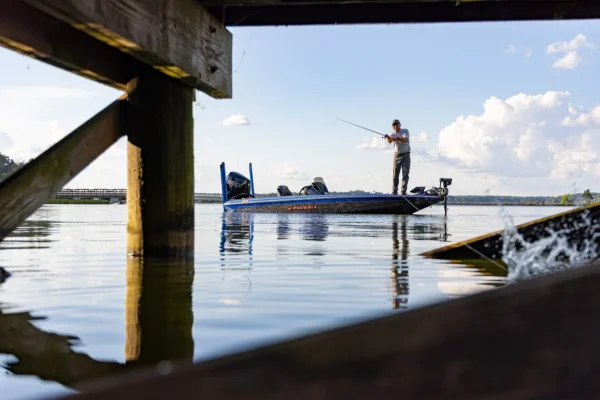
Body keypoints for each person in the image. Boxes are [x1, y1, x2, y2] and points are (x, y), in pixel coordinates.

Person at [385, 119, 410, 195]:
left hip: (406, 155)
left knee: (405, 174)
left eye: (397, 124)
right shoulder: (392, 134)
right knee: (395, 174)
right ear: (392, 127)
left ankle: (403, 191)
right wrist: (388, 137)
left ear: (400, 125)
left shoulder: (405, 131)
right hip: (397, 155)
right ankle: (394, 191)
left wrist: (397, 138)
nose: (395, 126)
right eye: (394, 125)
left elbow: (405, 139)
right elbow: (389, 141)